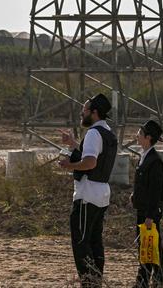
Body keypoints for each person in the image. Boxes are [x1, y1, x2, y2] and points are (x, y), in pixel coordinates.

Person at [59, 93, 118, 287]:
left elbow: (90, 162)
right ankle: (95, 281)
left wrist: (68, 165)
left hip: (87, 195)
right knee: (94, 241)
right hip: (101, 193)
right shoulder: (108, 133)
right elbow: (95, 156)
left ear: (94, 112)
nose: (81, 113)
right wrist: (74, 144)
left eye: (84, 110)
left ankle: (89, 283)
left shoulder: (93, 133)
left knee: (81, 242)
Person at [131, 120, 163, 287]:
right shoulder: (144, 157)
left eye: (140, 133)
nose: (137, 136)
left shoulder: (155, 161)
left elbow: (155, 191)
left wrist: (151, 216)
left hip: (148, 214)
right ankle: (145, 281)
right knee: (146, 248)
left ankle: (154, 281)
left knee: (153, 249)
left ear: (148, 137)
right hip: (142, 211)